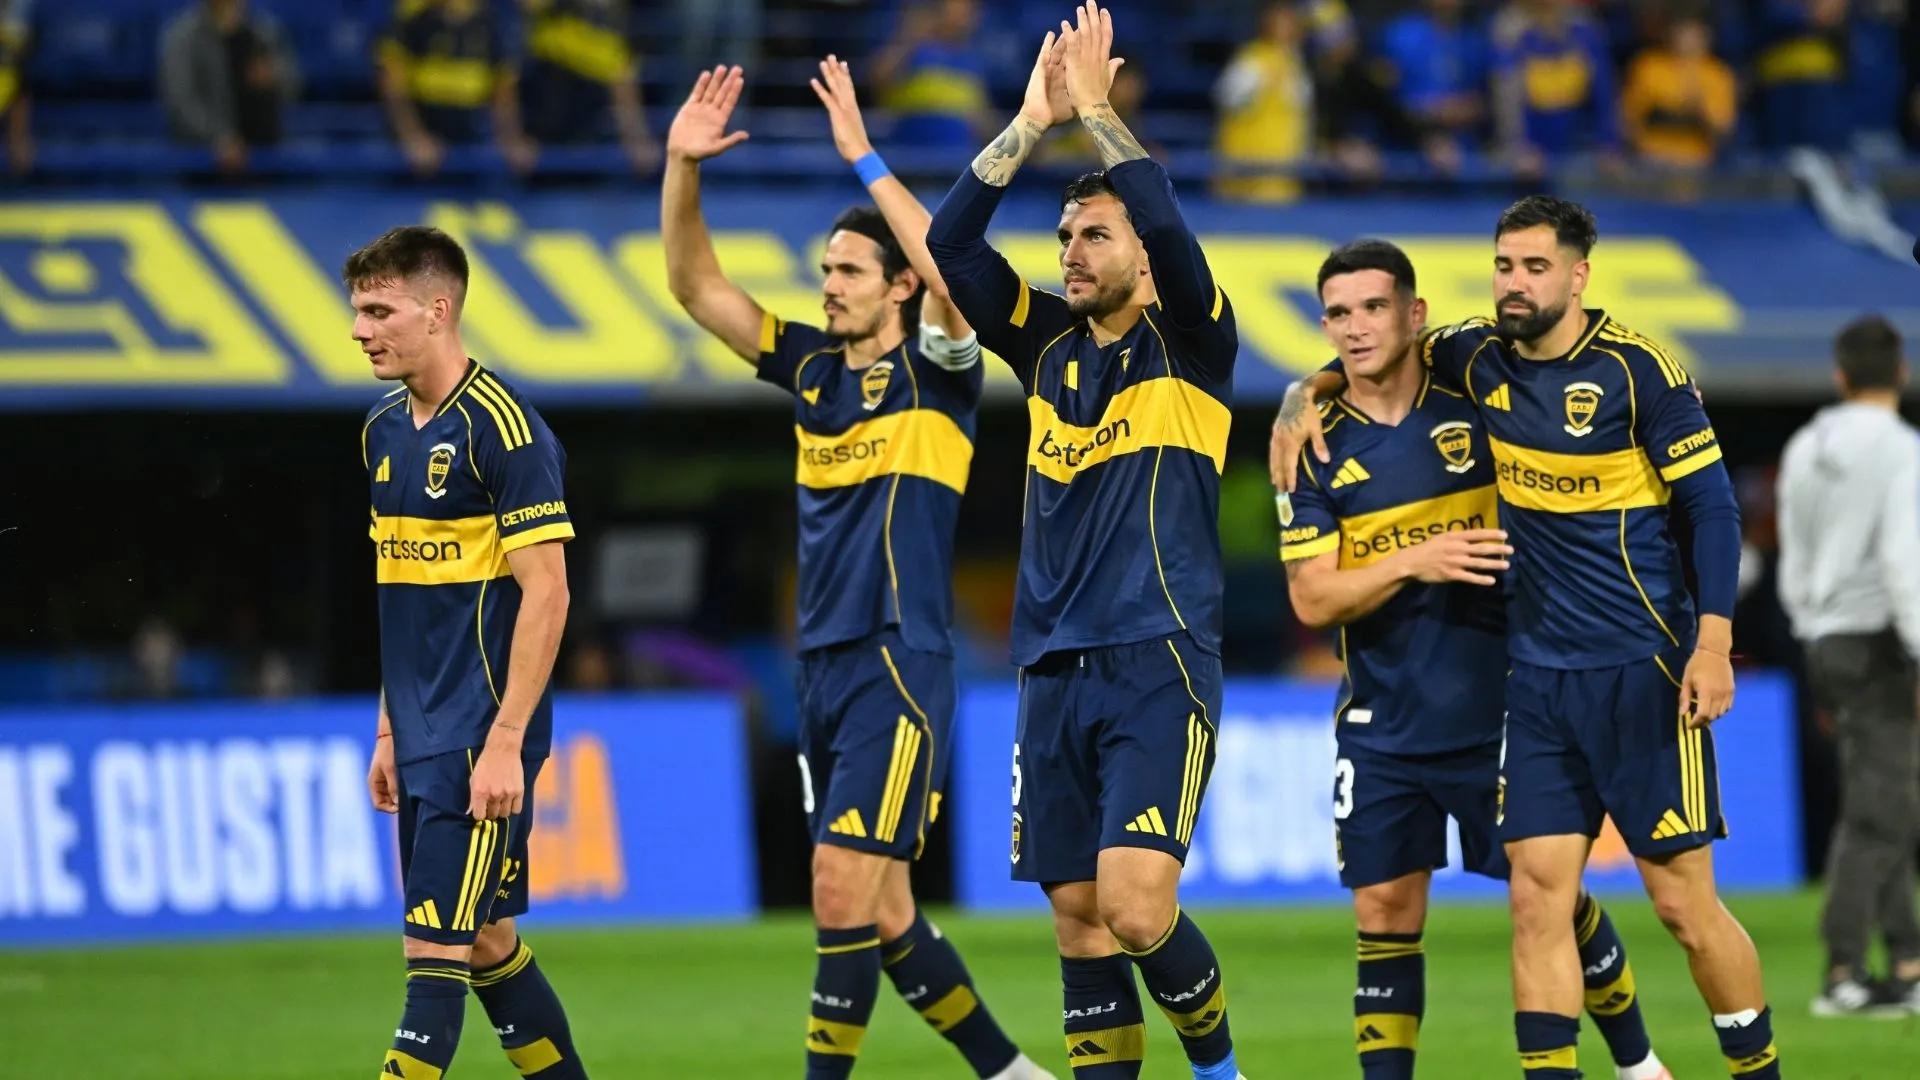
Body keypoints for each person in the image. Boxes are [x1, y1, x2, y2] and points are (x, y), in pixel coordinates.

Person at [1270, 197, 1780, 1080]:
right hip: (1539, 682)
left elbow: (1712, 506)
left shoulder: (1639, 373)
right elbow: (1370, 354)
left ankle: (1757, 1071)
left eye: (1535, 267)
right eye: (1505, 265)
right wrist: (1297, 394)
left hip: (1643, 667)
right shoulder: (1477, 355)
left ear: (1579, 275)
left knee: (1683, 905)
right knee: (1539, 903)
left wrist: (1711, 641)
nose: (1515, 283)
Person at [660, 61, 1050, 1080]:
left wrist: (865, 158)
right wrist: (679, 167)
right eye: (825, 269)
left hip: (897, 659)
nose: (827, 283)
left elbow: (955, 265)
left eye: (848, 270)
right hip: (820, 670)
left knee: (837, 887)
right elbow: (696, 287)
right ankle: (1009, 1074)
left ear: (901, 285)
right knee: (881, 915)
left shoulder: (939, 372)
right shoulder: (811, 372)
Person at [928, 5, 1246, 1077]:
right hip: (1050, 663)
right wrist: (1028, 123)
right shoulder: (1046, 346)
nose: (1070, 250)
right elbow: (950, 245)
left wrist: (1098, 114)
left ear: (1145, 262)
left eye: (1093, 235)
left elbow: (1160, 210)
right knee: (1076, 914)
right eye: (1064, 235)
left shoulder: (1194, 340)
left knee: (1135, 906)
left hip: (1156, 651)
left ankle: (1221, 1071)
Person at [351, 225, 587, 1079]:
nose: (360, 329)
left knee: (432, 958)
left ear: (437, 309)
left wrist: (505, 741)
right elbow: (403, 595)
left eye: (380, 310)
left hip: (477, 738)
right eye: (358, 311)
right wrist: (387, 731)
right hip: (418, 736)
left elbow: (549, 594)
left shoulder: (507, 431)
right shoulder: (381, 431)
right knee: (485, 941)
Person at [1777, 314, 1920, 1017]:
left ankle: (1906, 961)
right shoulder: (1902, 450)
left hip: (1826, 636)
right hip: (1880, 638)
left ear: (1839, 375)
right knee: (1883, 813)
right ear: (1901, 373)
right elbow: (1904, 560)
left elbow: (1792, 551)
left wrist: (1808, 625)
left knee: (1881, 798)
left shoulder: (1806, 446)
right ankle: (1842, 971)